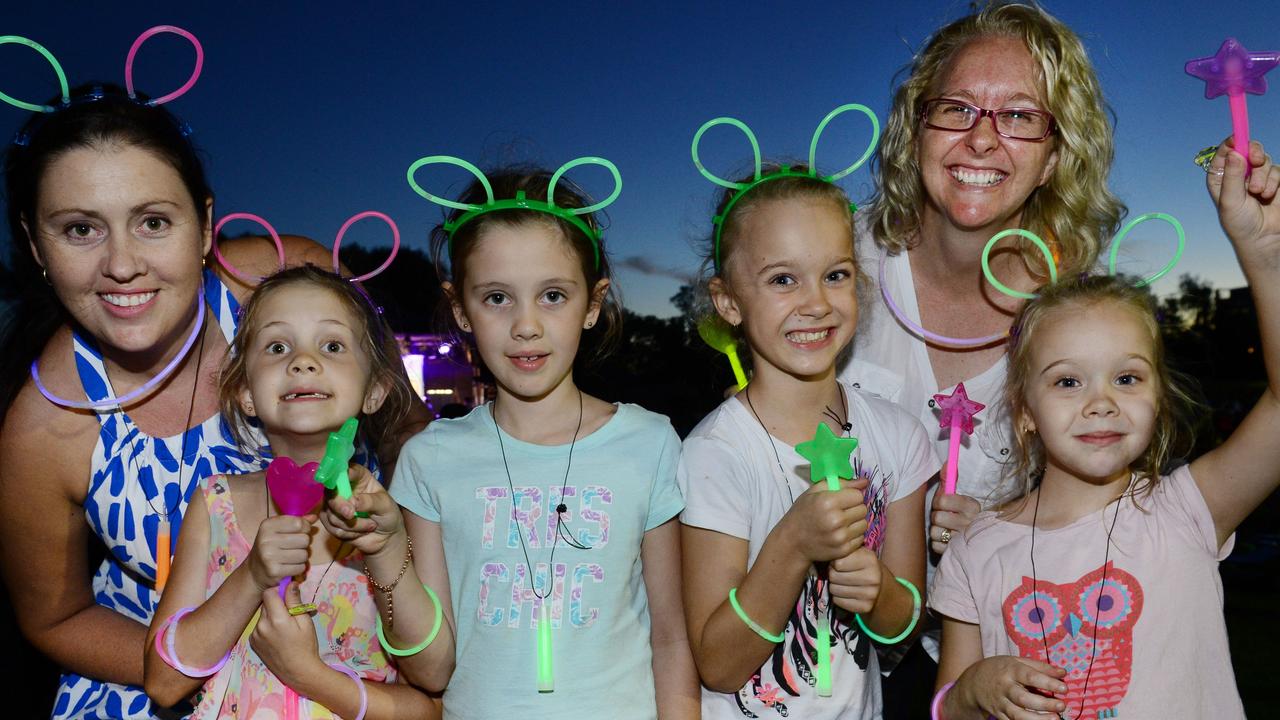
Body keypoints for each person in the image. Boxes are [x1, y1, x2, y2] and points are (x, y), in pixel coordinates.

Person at [0, 87, 425, 718]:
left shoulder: (283, 282)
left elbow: (410, 432)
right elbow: (55, 618)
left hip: (355, 647)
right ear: (37, 248)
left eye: (152, 222)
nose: (122, 265)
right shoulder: (41, 430)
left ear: (203, 225)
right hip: (159, 674)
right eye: (80, 229)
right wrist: (237, 663)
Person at [835, 3, 1126, 712]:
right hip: (823, 667)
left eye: (1021, 116)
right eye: (956, 108)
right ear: (915, 130)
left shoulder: (1079, 321)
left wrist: (1012, 533)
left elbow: (1119, 523)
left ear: (1055, 153)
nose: (982, 140)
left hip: (985, 673)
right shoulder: (835, 266)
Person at [929, 141, 1279, 719]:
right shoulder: (976, 549)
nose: (1100, 403)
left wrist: (1263, 254)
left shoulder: (1187, 512)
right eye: (1068, 382)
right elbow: (949, 707)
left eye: (1126, 377)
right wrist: (970, 692)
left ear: (1158, 397)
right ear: (1024, 412)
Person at [366, 163, 699, 718]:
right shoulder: (429, 459)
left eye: (552, 295)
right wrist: (381, 550)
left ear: (592, 304)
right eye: (497, 297)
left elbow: (671, 639)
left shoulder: (649, 442)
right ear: (460, 308)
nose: (526, 325)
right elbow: (430, 668)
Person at [678, 161, 937, 718]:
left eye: (836, 275)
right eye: (782, 279)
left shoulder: (899, 437)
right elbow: (718, 665)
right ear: (727, 302)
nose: (816, 303)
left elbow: (903, 630)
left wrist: (881, 592)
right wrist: (793, 544)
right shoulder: (714, 454)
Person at [142, 265, 444, 717]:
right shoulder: (213, 505)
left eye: (332, 345)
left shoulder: (393, 514)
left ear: (375, 391)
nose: (302, 361)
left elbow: (431, 691)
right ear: (245, 391)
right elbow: (164, 684)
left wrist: (386, 546)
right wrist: (251, 575)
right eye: (278, 346)